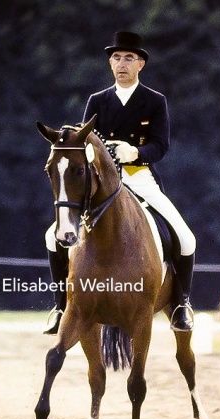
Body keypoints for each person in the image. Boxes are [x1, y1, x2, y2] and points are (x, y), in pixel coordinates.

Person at [45, 31, 196, 334]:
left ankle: (181, 304)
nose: (121, 63)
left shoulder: (155, 101)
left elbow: (161, 145)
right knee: (52, 237)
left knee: (186, 237)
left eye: (128, 58)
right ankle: (61, 305)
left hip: (140, 179)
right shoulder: (97, 100)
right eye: (116, 58)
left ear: (140, 63)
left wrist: (136, 152)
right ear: (110, 63)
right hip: (101, 184)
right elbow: (81, 141)